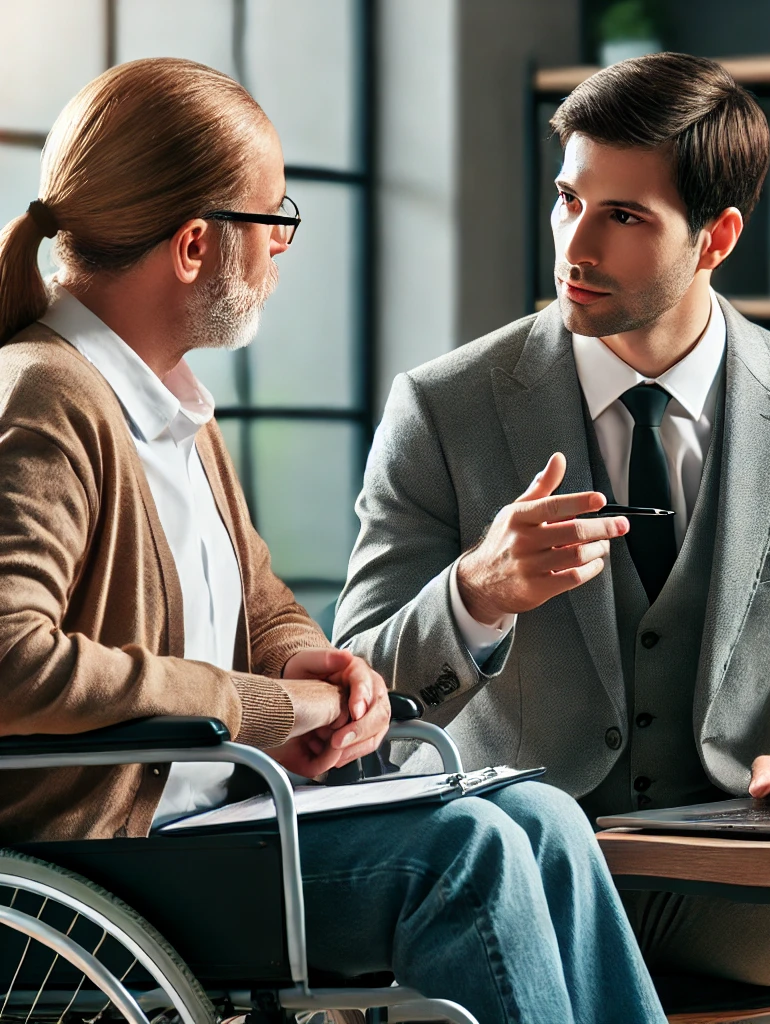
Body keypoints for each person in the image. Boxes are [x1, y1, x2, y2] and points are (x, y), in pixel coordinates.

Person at [0, 57, 667, 1024]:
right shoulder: (48, 394)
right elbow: (13, 661)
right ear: (194, 245)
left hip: (212, 819)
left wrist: (307, 663)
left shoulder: (171, 402)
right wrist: (262, 705)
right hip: (111, 852)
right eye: (273, 222)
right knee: (472, 856)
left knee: (546, 819)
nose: (282, 250)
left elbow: (259, 602)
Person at [335, 52, 770, 1022]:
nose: (573, 244)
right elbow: (350, 691)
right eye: (566, 198)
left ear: (715, 236)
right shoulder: (444, 408)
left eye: (622, 215)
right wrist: (476, 594)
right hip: (523, 868)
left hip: (729, 881)